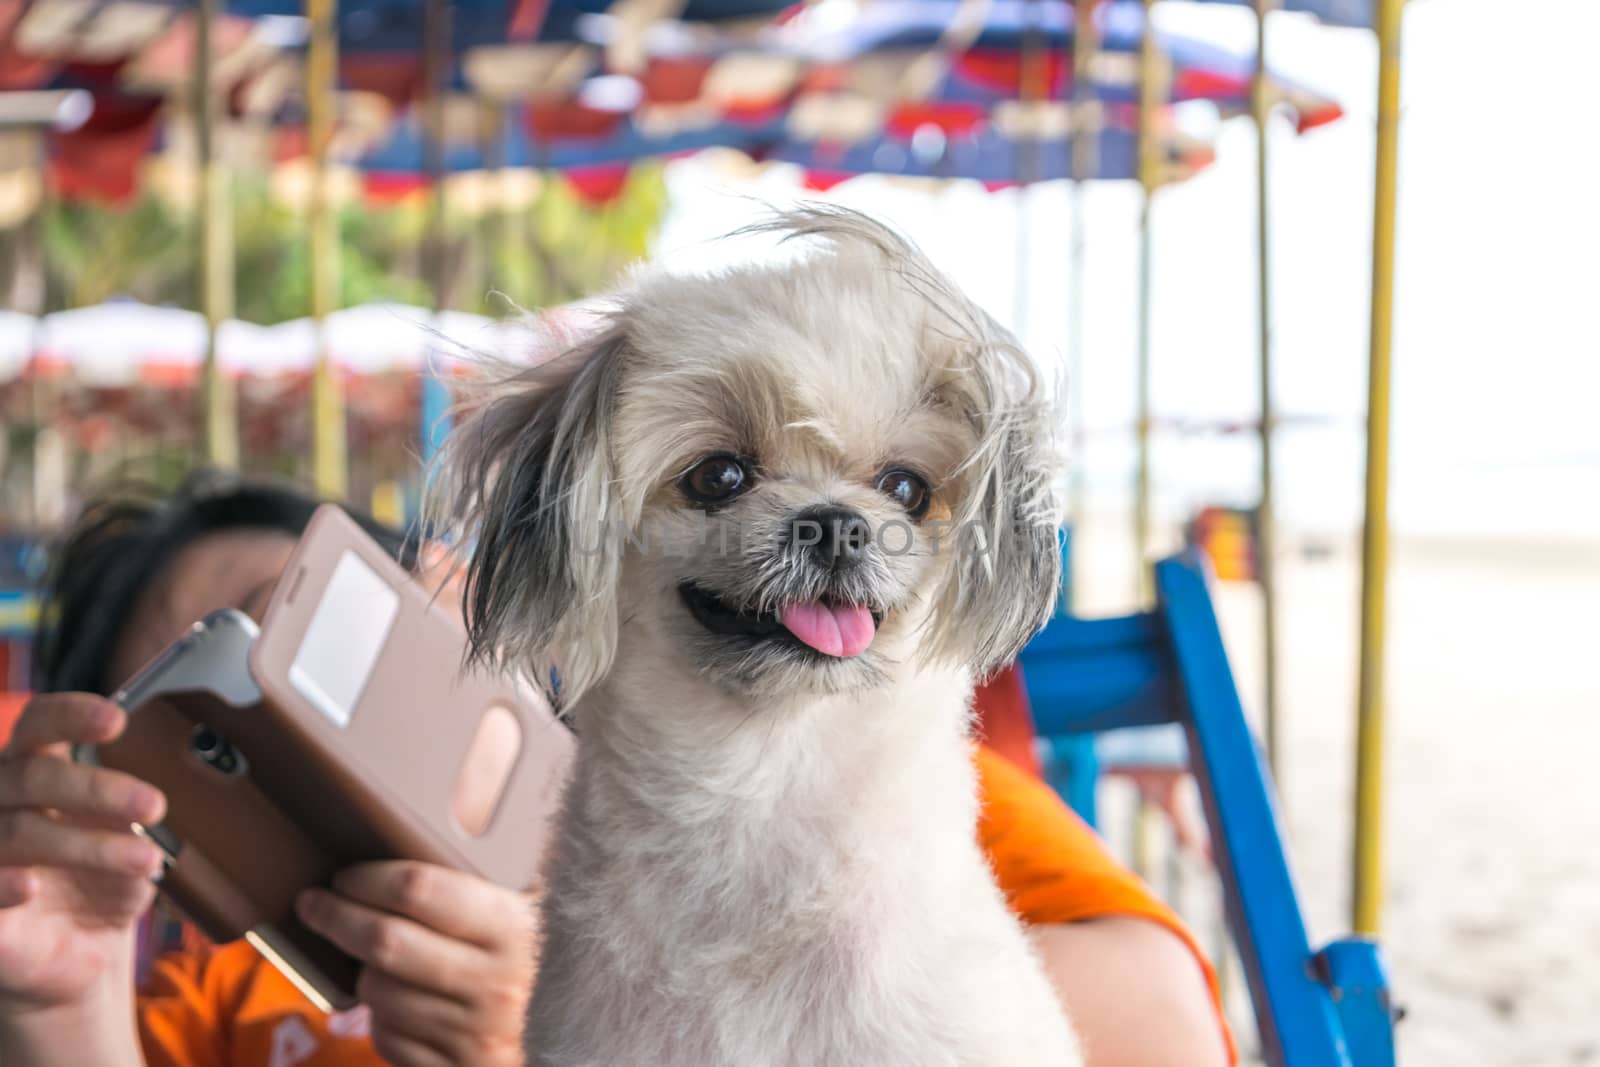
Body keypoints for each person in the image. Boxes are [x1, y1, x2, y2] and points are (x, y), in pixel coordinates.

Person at [0, 472, 1232, 1067]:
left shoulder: (813, 774)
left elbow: (1156, 1026)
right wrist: (61, 1006)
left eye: (287, 631)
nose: (281, 731)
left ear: (442, 587)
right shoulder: (233, 992)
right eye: (208, 735)